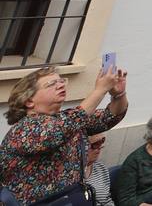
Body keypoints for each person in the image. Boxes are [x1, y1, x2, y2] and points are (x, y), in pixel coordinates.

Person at [0, 63, 128, 204]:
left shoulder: (66, 119)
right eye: (51, 84)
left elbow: (110, 117)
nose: (61, 85)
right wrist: (100, 90)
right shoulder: (24, 128)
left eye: (61, 81)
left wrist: (119, 95)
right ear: (29, 101)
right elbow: (58, 131)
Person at [86, 133, 113, 206]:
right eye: (94, 145)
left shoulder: (101, 168)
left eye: (100, 145)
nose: (98, 149)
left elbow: (107, 200)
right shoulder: (71, 176)